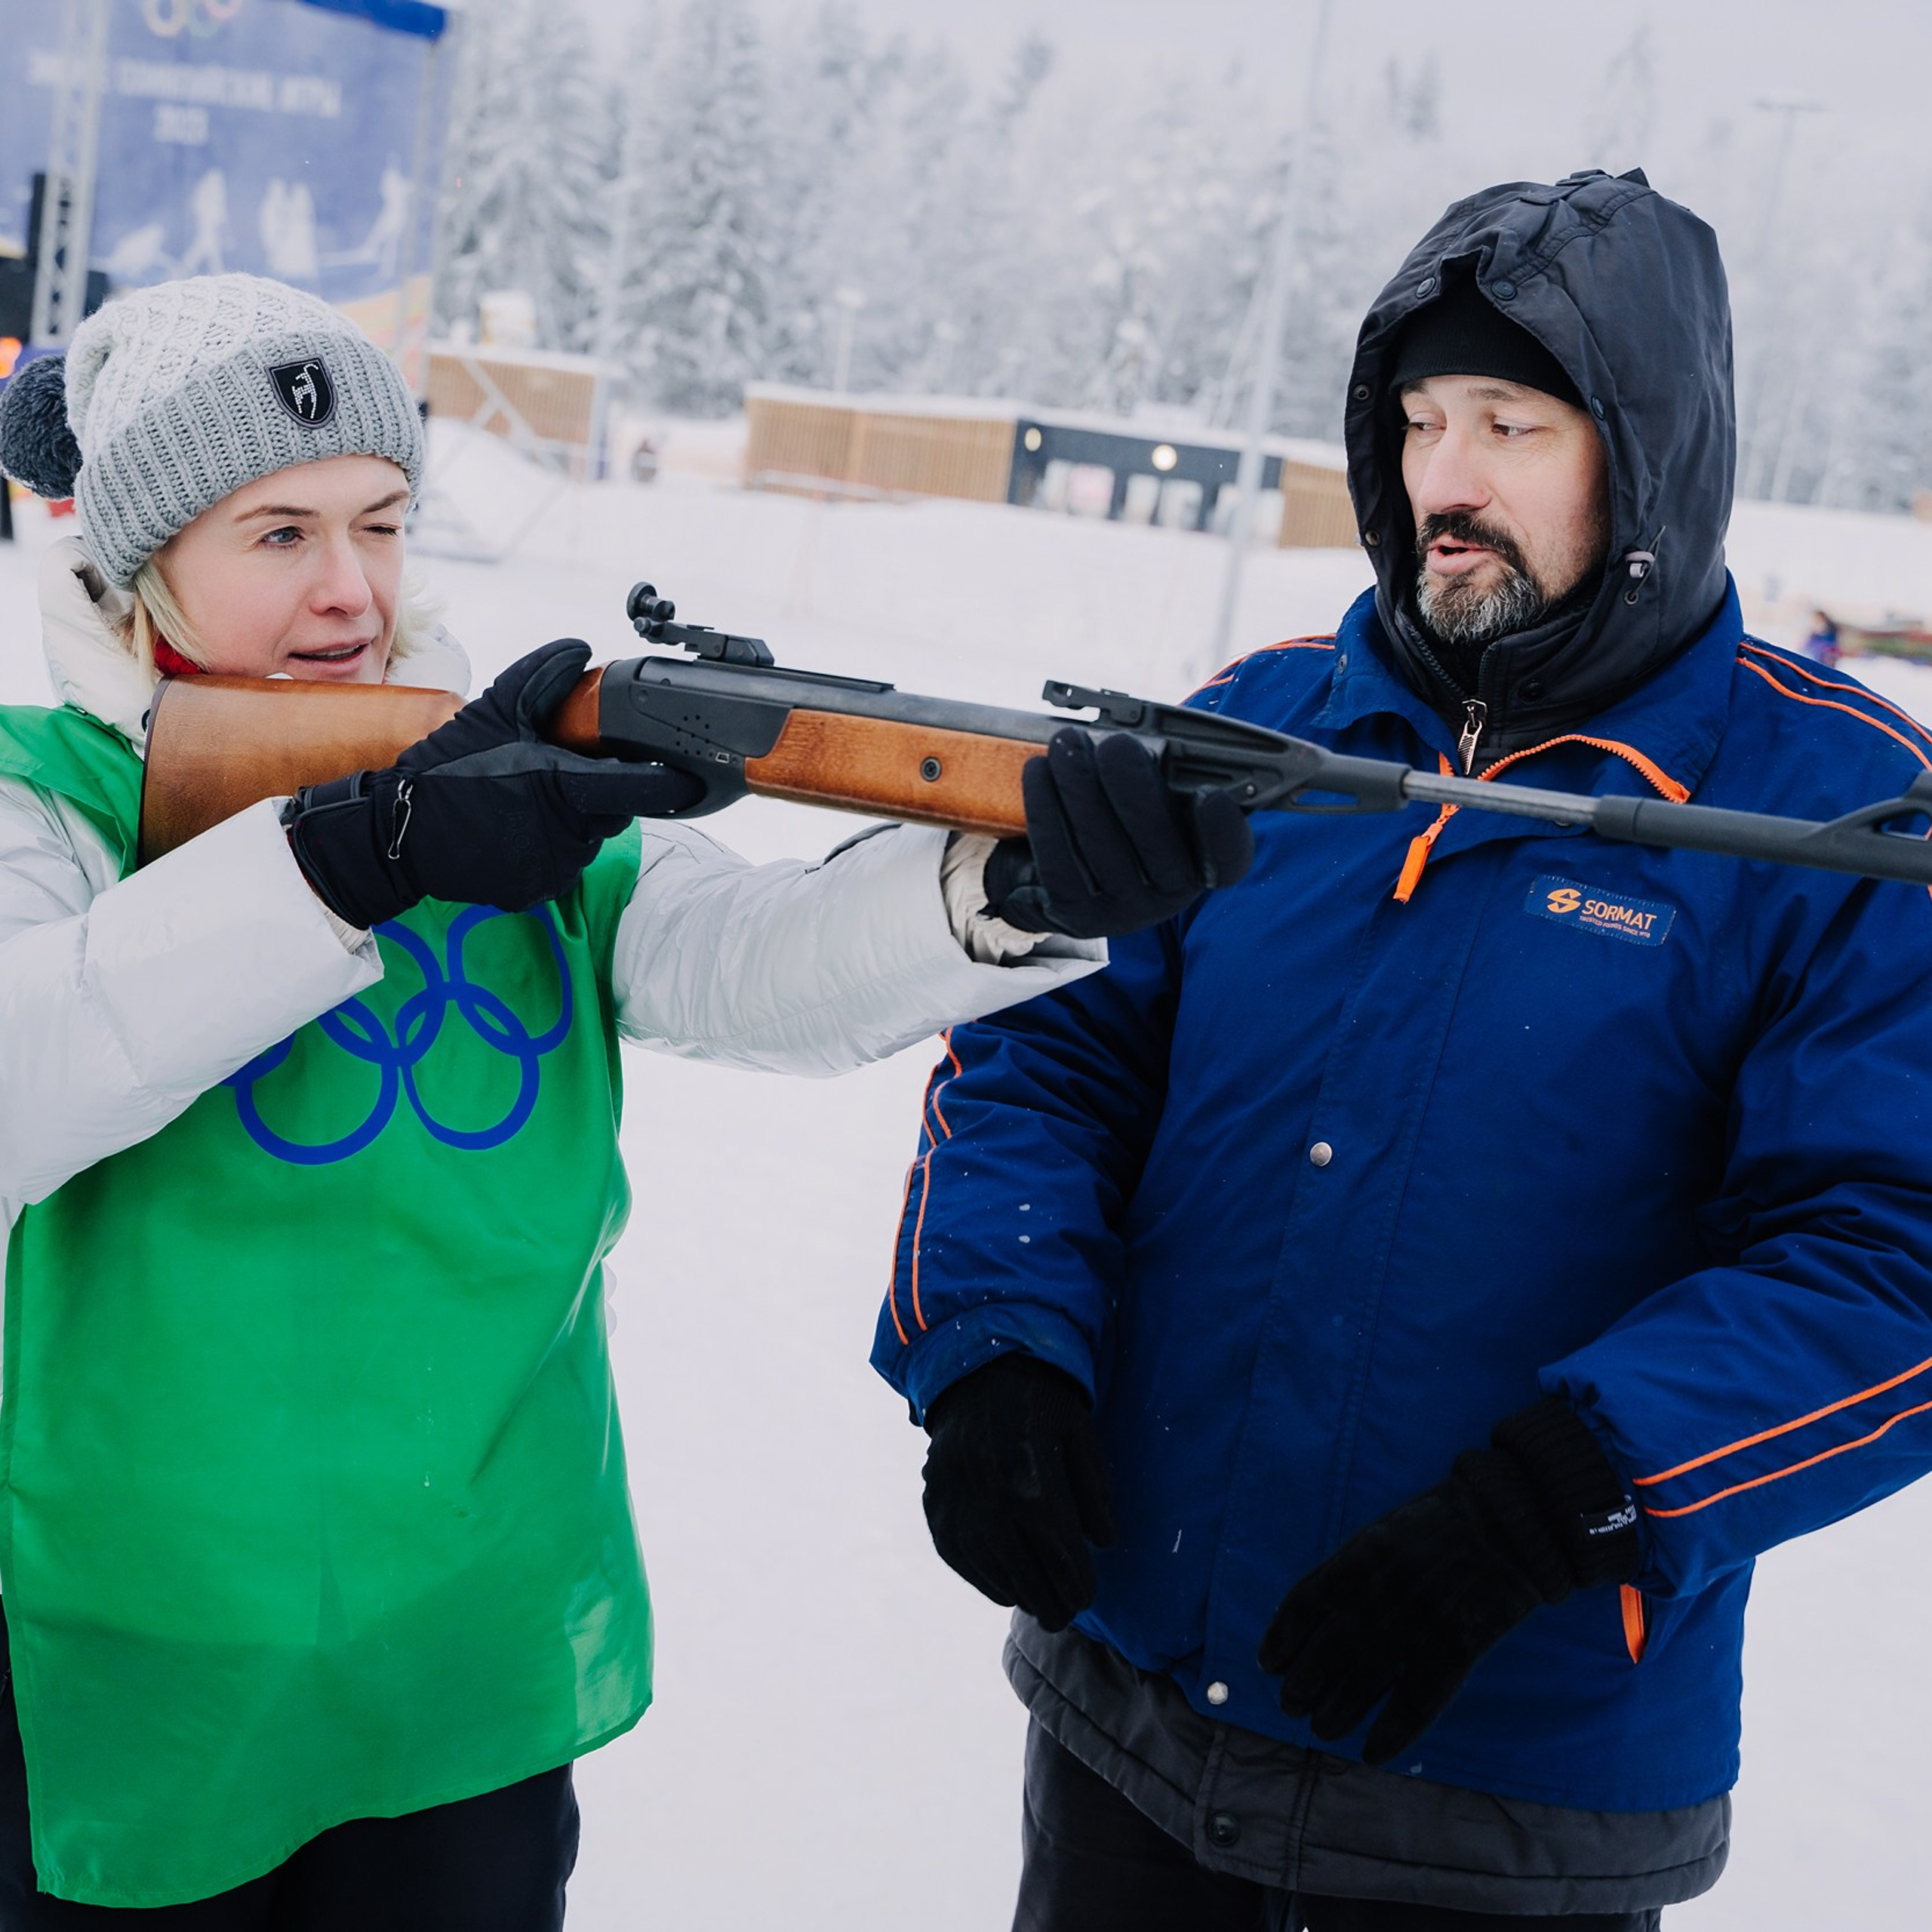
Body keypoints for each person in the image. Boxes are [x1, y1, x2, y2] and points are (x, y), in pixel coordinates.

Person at [0, 272, 1248, 1923]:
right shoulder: (52, 789)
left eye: (377, 521)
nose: (350, 587)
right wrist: (354, 857)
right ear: (147, 555)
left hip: (476, 1644)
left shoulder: (489, 760)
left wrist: (1001, 892)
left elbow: (740, 954)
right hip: (145, 1657)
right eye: (278, 534)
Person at [872, 167, 1932, 1930]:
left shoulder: (1834, 818)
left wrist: (1560, 1500)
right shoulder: (1258, 727)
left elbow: (1890, 1259)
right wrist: (993, 1347)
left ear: (1649, 452)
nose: (1448, 479)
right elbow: (1043, 1059)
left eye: (1510, 422)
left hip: (1508, 1775)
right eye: (1420, 421)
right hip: (1132, 1723)